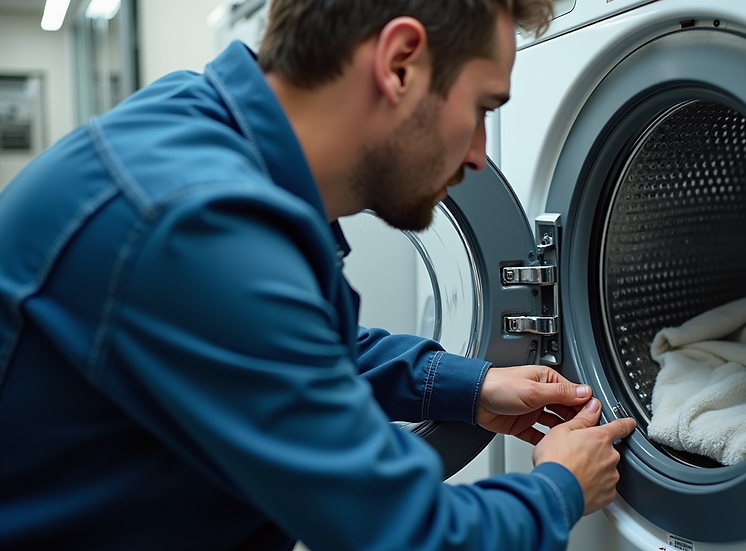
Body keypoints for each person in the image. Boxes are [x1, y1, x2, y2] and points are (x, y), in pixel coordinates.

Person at [0, 0, 637, 549]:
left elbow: (283, 353)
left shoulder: (202, 131)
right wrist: (560, 487)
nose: (478, 153)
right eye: (479, 107)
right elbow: (405, 536)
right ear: (399, 63)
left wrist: (473, 386)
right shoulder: (196, 225)